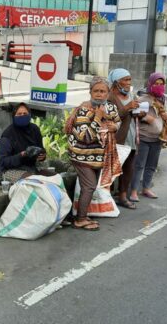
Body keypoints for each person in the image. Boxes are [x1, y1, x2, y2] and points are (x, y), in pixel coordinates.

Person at [66, 77, 121, 231]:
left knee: (90, 186)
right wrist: (97, 117)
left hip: (98, 156)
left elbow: (117, 121)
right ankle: (80, 219)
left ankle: (82, 215)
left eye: (102, 91)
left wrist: (114, 127)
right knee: (89, 186)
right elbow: (86, 137)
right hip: (81, 155)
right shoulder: (83, 110)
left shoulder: (110, 108)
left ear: (108, 93)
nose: (99, 94)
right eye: (95, 91)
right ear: (90, 92)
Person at [129, 73, 167, 203]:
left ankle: (146, 188)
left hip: (159, 138)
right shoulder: (143, 99)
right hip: (144, 138)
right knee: (139, 165)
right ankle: (133, 191)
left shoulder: (166, 99)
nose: (159, 86)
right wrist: (145, 118)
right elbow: (134, 113)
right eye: (156, 84)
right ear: (150, 84)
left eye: (161, 84)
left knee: (151, 165)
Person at [107, 68, 141, 209]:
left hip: (131, 136)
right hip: (116, 138)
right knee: (111, 168)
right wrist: (127, 107)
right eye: (125, 80)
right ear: (116, 82)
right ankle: (106, 198)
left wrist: (140, 112)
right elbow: (111, 117)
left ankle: (122, 196)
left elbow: (133, 116)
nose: (129, 83)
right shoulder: (109, 97)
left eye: (129, 80)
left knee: (128, 168)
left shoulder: (131, 96)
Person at [0, 103, 47, 183]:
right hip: (8, 170)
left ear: (29, 115)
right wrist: (22, 155)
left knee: (54, 178)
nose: (22, 116)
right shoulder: (8, 135)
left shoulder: (34, 129)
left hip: (30, 167)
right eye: (19, 114)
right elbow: (3, 161)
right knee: (33, 181)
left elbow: (40, 149)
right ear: (14, 116)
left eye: (25, 114)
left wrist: (42, 155)